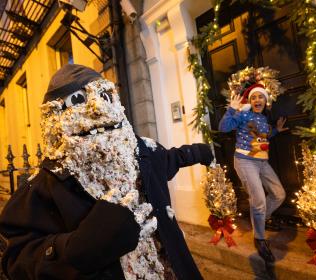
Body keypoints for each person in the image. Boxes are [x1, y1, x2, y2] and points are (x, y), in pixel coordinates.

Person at [0, 64, 214, 280]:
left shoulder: (143, 151)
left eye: (104, 96)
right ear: (54, 116)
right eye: (78, 99)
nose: (99, 108)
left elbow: (167, 160)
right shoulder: (47, 183)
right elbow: (16, 257)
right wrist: (76, 250)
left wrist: (196, 152)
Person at [219, 83, 287, 263]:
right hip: (245, 160)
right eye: (254, 97)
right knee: (259, 200)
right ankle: (260, 238)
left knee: (279, 194)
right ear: (250, 101)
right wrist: (232, 109)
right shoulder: (243, 113)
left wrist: (276, 131)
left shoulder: (263, 119)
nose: (257, 100)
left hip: (262, 161)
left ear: (265, 100)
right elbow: (224, 127)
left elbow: (264, 135)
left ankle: (263, 218)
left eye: (260, 97)